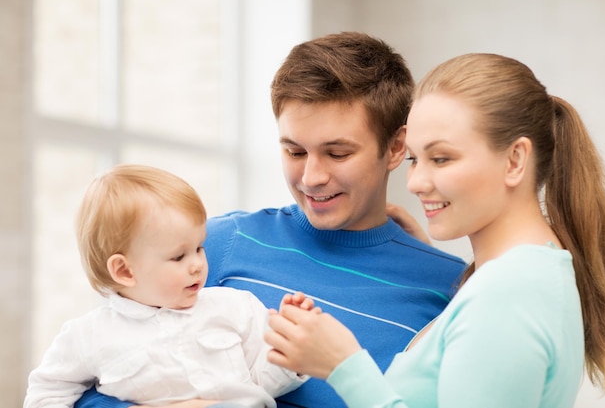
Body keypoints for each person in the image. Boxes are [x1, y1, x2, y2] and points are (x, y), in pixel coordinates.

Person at [75, 32, 466, 408]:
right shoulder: (215, 245)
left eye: (337, 153)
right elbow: (87, 375)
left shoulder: (450, 289)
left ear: (396, 147)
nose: (312, 177)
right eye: (295, 151)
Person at [265, 53, 605, 408]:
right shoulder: (517, 277)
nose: (416, 183)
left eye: (441, 159)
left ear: (515, 160)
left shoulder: (509, 292)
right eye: (414, 159)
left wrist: (344, 367)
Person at [24, 164, 306, 408]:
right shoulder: (87, 336)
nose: (197, 263)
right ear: (124, 271)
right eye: (179, 256)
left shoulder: (235, 306)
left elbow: (263, 383)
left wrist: (290, 354)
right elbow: (44, 394)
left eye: (199, 247)